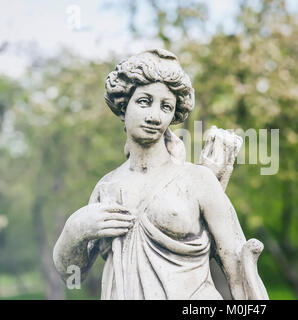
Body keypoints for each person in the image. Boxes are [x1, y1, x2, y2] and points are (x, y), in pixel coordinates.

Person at [53, 48, 267, 300]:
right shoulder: (107, 187)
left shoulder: (197, 180)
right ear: (124, 106)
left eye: (166, 107)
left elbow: (238, 267)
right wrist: (76, 230)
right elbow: (71, 274)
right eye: (144, 102)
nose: (155, 116)